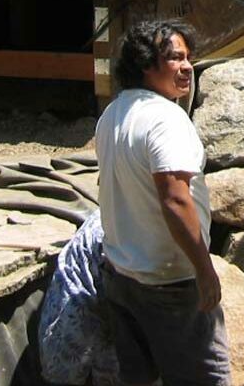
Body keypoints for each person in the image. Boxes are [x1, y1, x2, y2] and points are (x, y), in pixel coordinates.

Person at [95, 19, 230, 386]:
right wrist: (204, 270)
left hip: (122, 273)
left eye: (188, 58)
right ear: (144, 64)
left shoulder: (113, 114)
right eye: (174, 58)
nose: (186, 67)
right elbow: (175, 199)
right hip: (169, 282)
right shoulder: (165, 120)